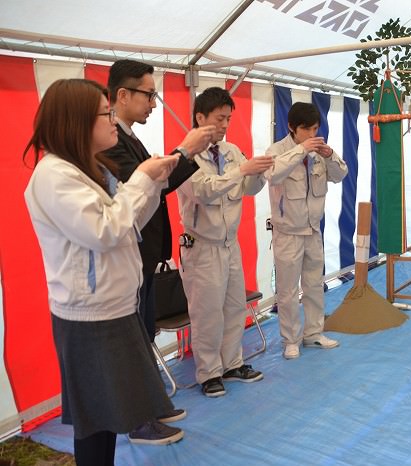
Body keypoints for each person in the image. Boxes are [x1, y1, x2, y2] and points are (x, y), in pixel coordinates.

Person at [23, 79, 183, 466]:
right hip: (89, 317)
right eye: (105, 113)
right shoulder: (54, 176)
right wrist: (143, 178)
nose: (113, 121)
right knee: (96, 422)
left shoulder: (88, 169)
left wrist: (153, 185)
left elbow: (127, 226)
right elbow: (105, 231)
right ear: (76, 122)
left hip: (112, 307)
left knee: (107, 418)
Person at [105, 59, 213, 441]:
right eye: (149, 95)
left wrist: (187, 154)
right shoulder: (111, 142)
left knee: (145, 332)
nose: (154, 103)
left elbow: (157, 183)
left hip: (145, 255)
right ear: (121, 95)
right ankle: (138, 419)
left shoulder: (129, 137)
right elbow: (142, 185)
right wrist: (184, 151)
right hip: (127, 255)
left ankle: (149, 406)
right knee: (133, 338)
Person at [177, 87, 273, 397]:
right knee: (207, 312)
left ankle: (232, 363)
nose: (224, 126)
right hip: (201, 246)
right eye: (219, 119)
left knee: (234, 306)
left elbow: (248, 188)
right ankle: (208, 373)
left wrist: (259, 172)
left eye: (228, 119)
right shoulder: (185, 155)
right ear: (199, 117)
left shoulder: (231, 151)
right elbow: (204, 190)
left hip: (229, 244)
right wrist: (243, 170)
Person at [265, 102, 348, 360]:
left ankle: (314, 333)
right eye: (307, 129)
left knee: (314, 284)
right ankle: (291, 339)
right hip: (287, 231)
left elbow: (340, 174)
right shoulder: (277, 151)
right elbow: (273, 175)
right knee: (288, 290)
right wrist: (300, 151)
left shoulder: (319, 152)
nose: (312, 135)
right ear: (292, 127)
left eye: (315, 129)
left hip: (313, 229)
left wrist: (329, 153)